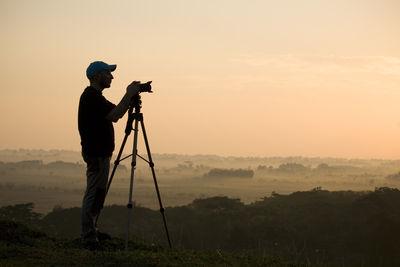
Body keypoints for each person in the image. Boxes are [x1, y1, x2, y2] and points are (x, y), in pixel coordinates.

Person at [78, 61, 141, 247]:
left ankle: (92, 231)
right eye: (108, 73)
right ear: (97, 76)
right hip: (96, 153)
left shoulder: (95, 97)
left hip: (99, 152)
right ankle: (88, 237)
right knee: (93, 193)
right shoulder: (91, 97)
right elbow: (114, 115)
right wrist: (128, 94)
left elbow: (116, 112)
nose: (112, 77)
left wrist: (129, 98)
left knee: (98, 193)